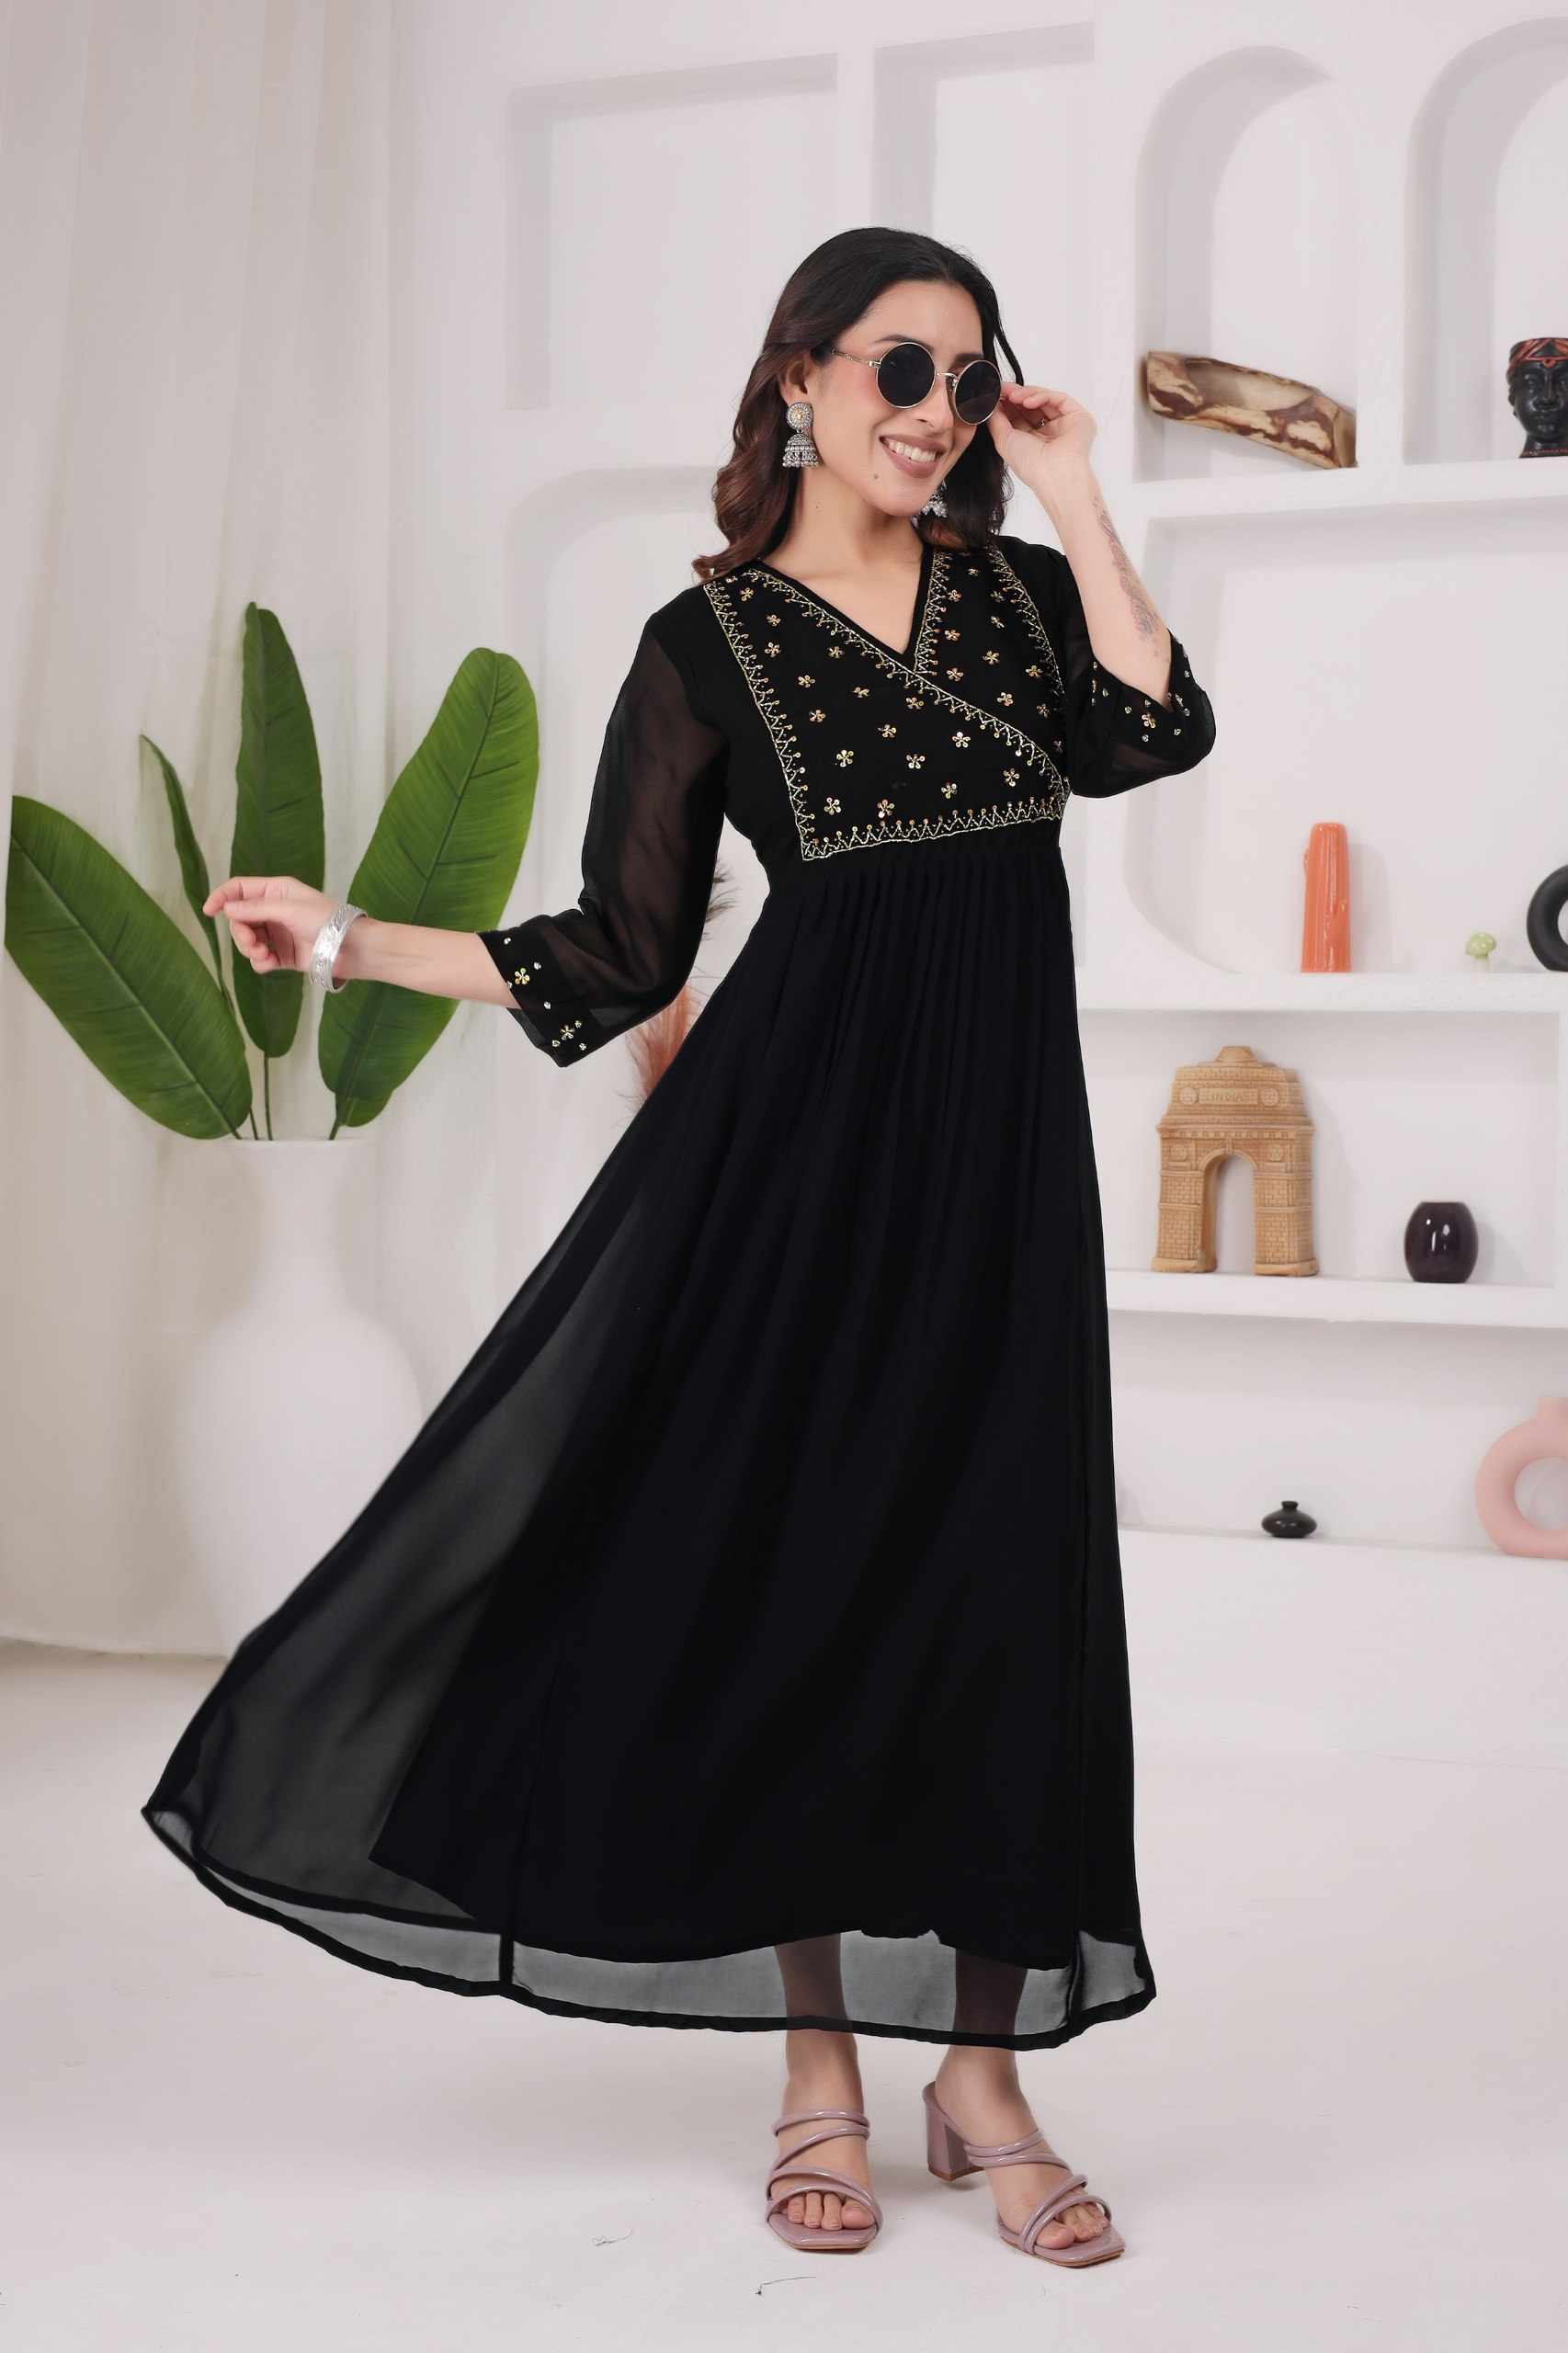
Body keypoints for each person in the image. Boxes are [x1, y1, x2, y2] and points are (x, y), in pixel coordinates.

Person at [142, 226, 1216, 2268]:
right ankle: (816, 2065)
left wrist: (1076, 487)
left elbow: (1152, 736)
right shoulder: (704, 643)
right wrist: (348, 939)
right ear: (797, 376)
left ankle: (983, 2075)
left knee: (1002, 1585)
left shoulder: (1016, 593)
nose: (932, 412)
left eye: (966, 374)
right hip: (792, 1165)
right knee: (793, 1577)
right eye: (895, 368)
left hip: (1001, 1173)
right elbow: (618, 951)